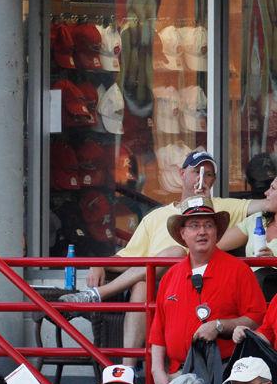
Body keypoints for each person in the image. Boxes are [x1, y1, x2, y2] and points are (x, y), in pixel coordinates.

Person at [62, 151, 273, 365]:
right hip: (161, 286)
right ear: (182, 174)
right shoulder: (155, 217)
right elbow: (127, 258)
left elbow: (268, 205)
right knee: (144, 283)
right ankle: (128, 369)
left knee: (175, 254)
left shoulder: (223, 206)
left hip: (199, 286)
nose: (202, 178)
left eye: (208, 174)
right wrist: (100, 264)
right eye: (196, 171)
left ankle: (98, 295)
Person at [149, 196, 267, 384]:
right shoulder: (171, 276)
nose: (202, 231)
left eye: (208, 225)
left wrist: (220, 326)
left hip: (225, 374)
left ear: (216, 232)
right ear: (183, 233)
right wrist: (157, 371)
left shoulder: (238, 270)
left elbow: (257, 317)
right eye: (194, 225)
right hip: (178, 376)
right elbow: (158, 330)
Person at [219, 175, 277, 301]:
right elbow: (216, 244)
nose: (266, 193)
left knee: (262, 275)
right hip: (248, 292)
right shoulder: (258, 219)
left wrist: (274, 262)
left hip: (271, 298)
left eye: (273, 188)